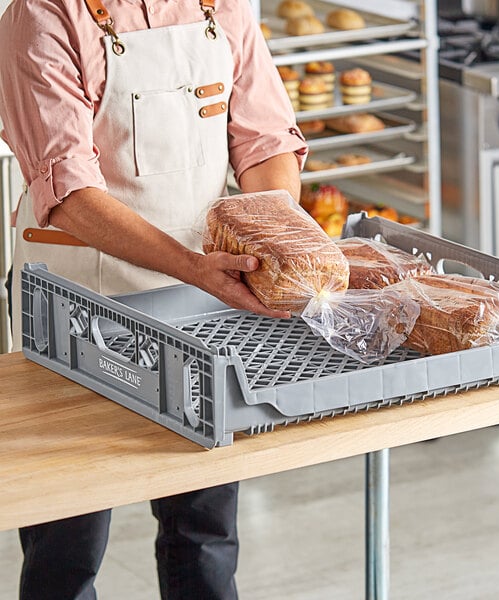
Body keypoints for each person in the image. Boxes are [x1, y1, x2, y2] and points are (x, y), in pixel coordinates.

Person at [0, 0, 307, 598]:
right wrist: (193, 266)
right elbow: (67, 191)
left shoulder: (220, 5)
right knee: (68, 541)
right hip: (76, 308)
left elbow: (265, 138)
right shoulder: (42, 17)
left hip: (202, 303)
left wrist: (276, 230)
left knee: (205, 531)